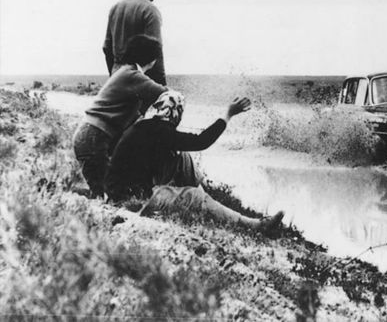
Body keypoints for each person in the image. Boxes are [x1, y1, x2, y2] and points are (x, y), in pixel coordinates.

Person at [104, 90, 284, 233]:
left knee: (182, 157)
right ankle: (255, 225)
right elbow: (201, 141)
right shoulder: (160, 130)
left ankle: (209, 203)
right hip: (129, 203)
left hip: (122, 193)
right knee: (195, 196)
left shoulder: (145, 126)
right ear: (175, 111)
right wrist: (228, 115)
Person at [73, 35, 168, 199]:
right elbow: (165, 93)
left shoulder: (124, 71)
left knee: (102, 191)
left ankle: (62, 190)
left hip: (88, 136)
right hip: (94, 137)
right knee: (108, 195)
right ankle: (63, 191)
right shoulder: (133, 75)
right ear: (152, 60)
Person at [103, 0, 166, 85]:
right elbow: (156, 54)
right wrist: (162, 88)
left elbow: (107, 47)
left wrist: (114, 76)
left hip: (117, 79)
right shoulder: (150, 10)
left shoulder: (116, 8)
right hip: (139, 83)